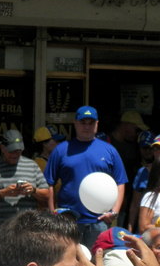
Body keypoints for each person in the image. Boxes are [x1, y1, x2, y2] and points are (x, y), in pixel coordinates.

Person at [45, 106, 127, 248]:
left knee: (95, 262)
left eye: (91, 123)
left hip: (99, 220)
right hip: (68, 219)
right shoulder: (61, 149)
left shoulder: (109, 150)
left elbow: (120, 181)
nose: (87, 127)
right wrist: (53, 214)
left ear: (97, 124)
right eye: (83, 123)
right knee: (67, 262)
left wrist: (114, 212)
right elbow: (49, 183)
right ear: (75, 123)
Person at [0, 129, 50, 244]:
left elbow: (46, 194)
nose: (16, 155)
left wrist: (33, 190)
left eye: (19, 151)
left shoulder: (32, 165)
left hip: (25, 228)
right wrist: (3, 193)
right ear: (2, 148)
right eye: (12, 151)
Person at [127, 133, 160, 232]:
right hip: (146, 228)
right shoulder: (143, 172)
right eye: (155, 148)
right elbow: (135, 204)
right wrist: (130, 230)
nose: (158, 152)